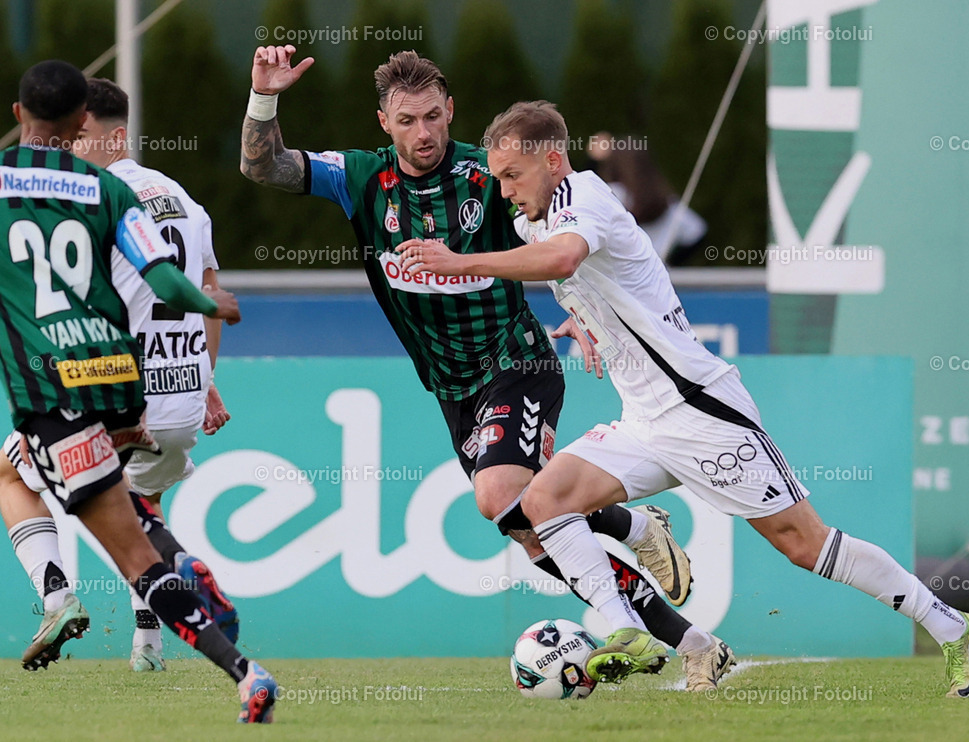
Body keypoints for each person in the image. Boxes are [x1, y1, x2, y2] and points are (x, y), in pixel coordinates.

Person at [397, 100, 969, 697]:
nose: (503, 191)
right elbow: (565, 271)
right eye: (498, 178)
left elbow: (564, 256)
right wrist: (580, 316)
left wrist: (458, 261)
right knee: (544, 499)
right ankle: (626, 630)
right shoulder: (535, 219)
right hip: (642, 422)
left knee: (803, 544)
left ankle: (952, 625)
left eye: (511, 175)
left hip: (700, 410)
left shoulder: (587, 198)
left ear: (554, 160)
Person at [240, 46, 734, 689]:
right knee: (532, 532)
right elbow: (264, 166)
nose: (425, 134)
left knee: (500, 494)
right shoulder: (360, 179)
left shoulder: (489, 175)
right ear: (384, 123)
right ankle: (688, 628)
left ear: (450, 111)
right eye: (409, 121)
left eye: (434, 117)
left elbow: (558, 240)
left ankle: (623, 624)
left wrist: (585, 310)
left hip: (517, 360)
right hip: (450, 387)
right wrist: (264, 97)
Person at [0, 60, 275, 722]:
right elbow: (166, 281)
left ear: (18, 116)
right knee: (140, 554)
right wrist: (218, 301)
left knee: (12, 478)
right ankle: (245, 672)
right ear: (79, 123)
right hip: (120, 387)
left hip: (54, 392)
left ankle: (57, 591)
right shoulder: (107, 191)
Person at [586, 132, 706, 265]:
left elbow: (581, 204)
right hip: (656, 275)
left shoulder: (611, 194)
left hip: (620, 276)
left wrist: (594, 161)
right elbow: (697, 231)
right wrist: (673, 261)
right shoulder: (668, 202)